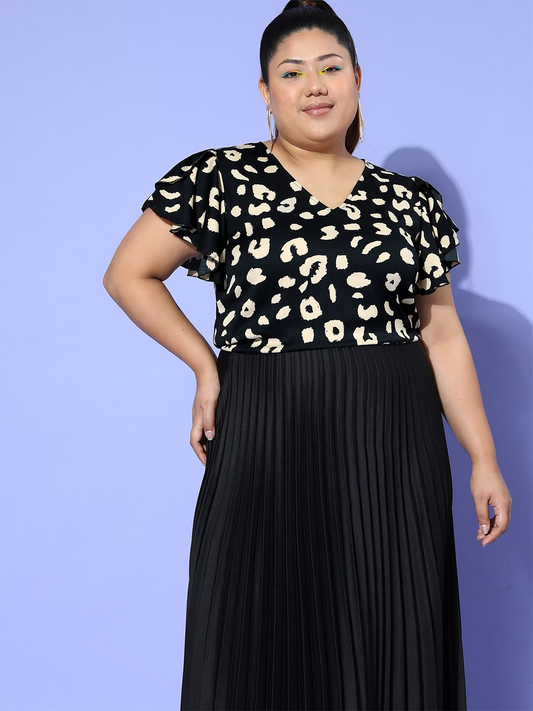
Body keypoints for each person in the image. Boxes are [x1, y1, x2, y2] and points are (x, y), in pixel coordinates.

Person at [103, 1, 512, 708]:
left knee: (391, 625)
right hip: (266, 430)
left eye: (330, 68)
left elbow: (441, 333)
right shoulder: (220, 179)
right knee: (256, 628)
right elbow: (128, 274)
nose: (314, 85)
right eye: (291, 73)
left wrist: (483, 456)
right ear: (266, 92)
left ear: (357, 79)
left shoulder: (410, 202)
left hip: (390, 443)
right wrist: (205, 366)